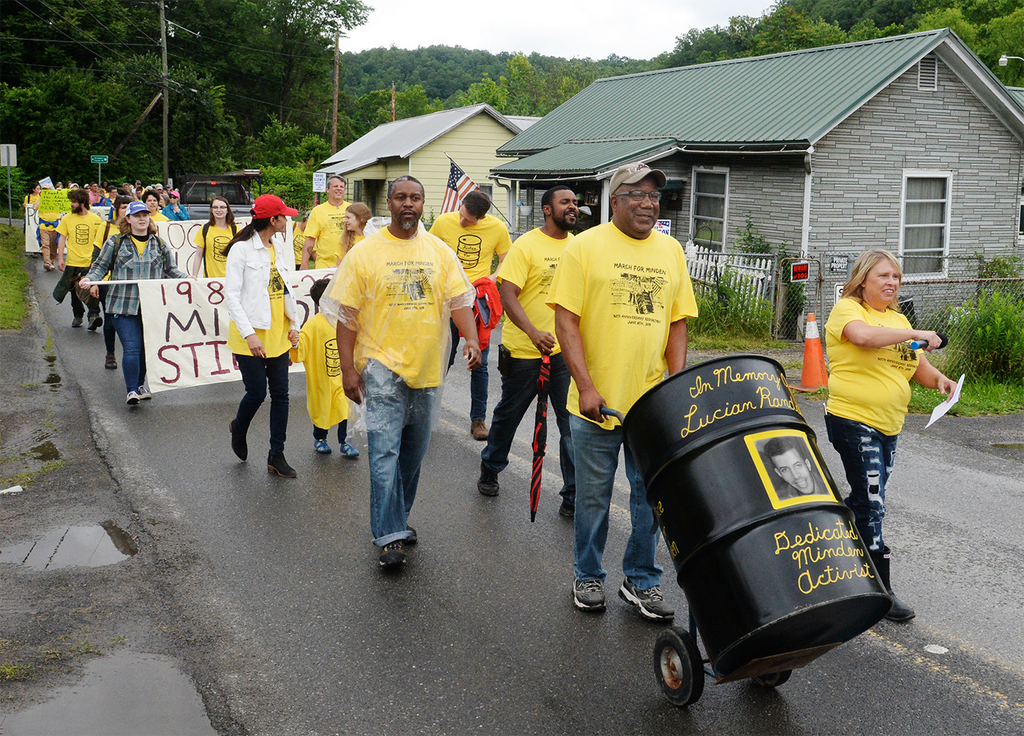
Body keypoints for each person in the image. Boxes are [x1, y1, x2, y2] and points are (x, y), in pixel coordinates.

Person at [549, 162, 698, 621]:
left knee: (649, 501)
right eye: (637, 194)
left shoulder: (671, 251)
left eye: (655, 196)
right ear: (614, 200)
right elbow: (565, 320)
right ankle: (588, 574)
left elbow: (677, 323)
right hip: (596, 405)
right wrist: (586, 386)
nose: (648, 203)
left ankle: (641, 580)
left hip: (651, 406)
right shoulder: (585, 248)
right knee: (593, 499)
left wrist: (675, 389)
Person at [327, 176, 481, 568]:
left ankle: (398, 518)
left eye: (415, 197)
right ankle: (389, 535)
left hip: (428, 367)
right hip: (381, 366)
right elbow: (347, 316)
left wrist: (473, 339)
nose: (408, 204)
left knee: (413, 454)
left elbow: (460, 298)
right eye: (400, 197)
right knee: (384, 451)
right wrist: (348, 370)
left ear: (422, 203)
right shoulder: (366, 253)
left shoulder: (439, 251)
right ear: (390, 204)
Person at [824, 248, 955, 623]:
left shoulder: (896, 319)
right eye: (884, 276)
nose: (892, 283)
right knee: (873, 502)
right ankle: (879, 592)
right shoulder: (849, 310)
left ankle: (836, 541)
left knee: (867, 502)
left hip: (888, 425)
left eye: (896, 278)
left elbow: (919, 369)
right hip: (852, 419)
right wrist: (916, 332)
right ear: (863, 279)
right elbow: (864, 338)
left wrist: (941, 382)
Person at [477, 186, 579, 518]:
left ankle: (572, 494)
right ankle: (491, 465)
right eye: (566, 202)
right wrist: (533, 333)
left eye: (575, 202)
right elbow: (507, 295)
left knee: (570, 425)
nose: (573, 207)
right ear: (547, 209)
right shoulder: (527, 246)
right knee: (508, 415)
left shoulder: (579, 247)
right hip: (524, 352)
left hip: (564, 354)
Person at [224, 194, 302, 479]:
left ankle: (276, 454)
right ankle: (239, 426)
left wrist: (294, 323)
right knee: (257, 393)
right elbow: (231, 297)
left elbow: (285, 288)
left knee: (281, 395)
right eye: (284, 216)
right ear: (273, 220)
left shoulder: (279, 247)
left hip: (279, 333)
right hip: (251, 335)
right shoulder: (241, 250)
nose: (287, 220)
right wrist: (249, 334)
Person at [80, 201, 189, 405]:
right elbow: (100, 267)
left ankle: (140, 384)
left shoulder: (160, 244)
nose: (142, 219)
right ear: (127, 219)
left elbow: (172, 270)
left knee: (145, 349)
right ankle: (131, 390)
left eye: (145, 215)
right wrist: (89, 279)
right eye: (137, 215)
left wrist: (187, 278)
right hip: (122, 305)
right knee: (131, 347)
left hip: (152, 306)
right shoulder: (115, 242)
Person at [430, 190, 513, 440]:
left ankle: (478, 420)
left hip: (478, 300)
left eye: (469, 220)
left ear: (482, 217)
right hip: (446, 299)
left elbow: (507, 258)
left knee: (480, 362)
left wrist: (492, 278)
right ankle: (426, 413)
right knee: (442, 358)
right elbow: (429, 252)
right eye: (462, 216)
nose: (463, 222)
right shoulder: (444, 221)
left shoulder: (497, 228)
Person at [291, 278, 359, 458]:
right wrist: (296, 344)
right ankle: (320, 438)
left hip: (341, 376)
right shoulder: (313, 325)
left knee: (344, 408)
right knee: (322, 410)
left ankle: (345, 442)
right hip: (321, 379)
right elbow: (302, 349)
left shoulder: (344, 321)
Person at [53, 187, 104, 329]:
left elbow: (99, 241)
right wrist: (60, 258)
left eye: (74, 202)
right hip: (72, 262)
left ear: (82, 202)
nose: (71, 205)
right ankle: (78, 315)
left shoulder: (95, 219)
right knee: (74, 291)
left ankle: (93, 316)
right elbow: (62, 237)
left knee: (91, 289)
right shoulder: (67, 219)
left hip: (89, 262)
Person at [92, 196, 134, 370]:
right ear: (117, 209)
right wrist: (94, 281)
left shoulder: (139, 228)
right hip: (109, 282)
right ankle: (110, 353)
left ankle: (131, 354)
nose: (126, 211)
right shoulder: (106, 226)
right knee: (110, 321)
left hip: (132, 282)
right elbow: (96, 255)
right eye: (124, 207)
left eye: (129, 207)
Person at [301, 175, 350, 269]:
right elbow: (310, 239)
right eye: (335, 186)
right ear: (327, 189)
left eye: (341, 187)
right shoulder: (317, 211)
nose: (339, 189)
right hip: (324, 266)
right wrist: (304, 263)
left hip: (348, 264)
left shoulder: (352, 209)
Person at [190, 196, 237, 278]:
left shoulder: (235, 229)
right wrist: (194, 275)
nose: (219, 210)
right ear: (211, 210)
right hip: (210, 281)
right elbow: (198, 255)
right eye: (215, 207)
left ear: (227, 210)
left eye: (222, 207)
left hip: (231, 280)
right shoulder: (205, 229)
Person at [37, 184, 63, 271]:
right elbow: (34, 207)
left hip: (55, 227)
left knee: (53, 245)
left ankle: (51, 261)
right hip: (44, 226)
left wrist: (59, 193)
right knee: (45, 245)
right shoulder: (40, 200)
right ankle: (47, 262)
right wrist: (42, 198)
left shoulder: (56, 201)